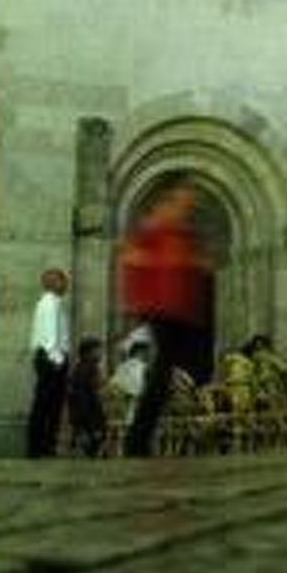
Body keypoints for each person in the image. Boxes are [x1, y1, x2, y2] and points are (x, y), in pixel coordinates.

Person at [119, 186, 215, 457]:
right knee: (161, 374)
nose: (189, 204)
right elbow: (135, 259)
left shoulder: (181, 230)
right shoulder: (158, 225)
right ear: (170, 199)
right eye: (185, 199)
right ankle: (137, 441)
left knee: (166, 372)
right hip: (164, 309)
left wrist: (196, 264)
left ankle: (138, 439)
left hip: (178, 311)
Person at [27, 268, 71, 458]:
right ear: (52, 282)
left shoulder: (52, 303)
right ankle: (40, 447)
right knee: (47, 405)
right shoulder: (49, 303)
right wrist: (58, 360)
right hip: (51, 358)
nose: (66, 284)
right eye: (62, 280)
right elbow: (51, 333)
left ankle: (44, 446)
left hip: (49, 358)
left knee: (49, 405)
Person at [67, 336, 109, 456]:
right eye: (98, 350)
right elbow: (84, 391)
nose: (101, 353)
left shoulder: (84, 367)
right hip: (88, 411)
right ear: (88, 353)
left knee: (93, 437)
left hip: (86, 411)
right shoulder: (87, 368)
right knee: (94, 436)